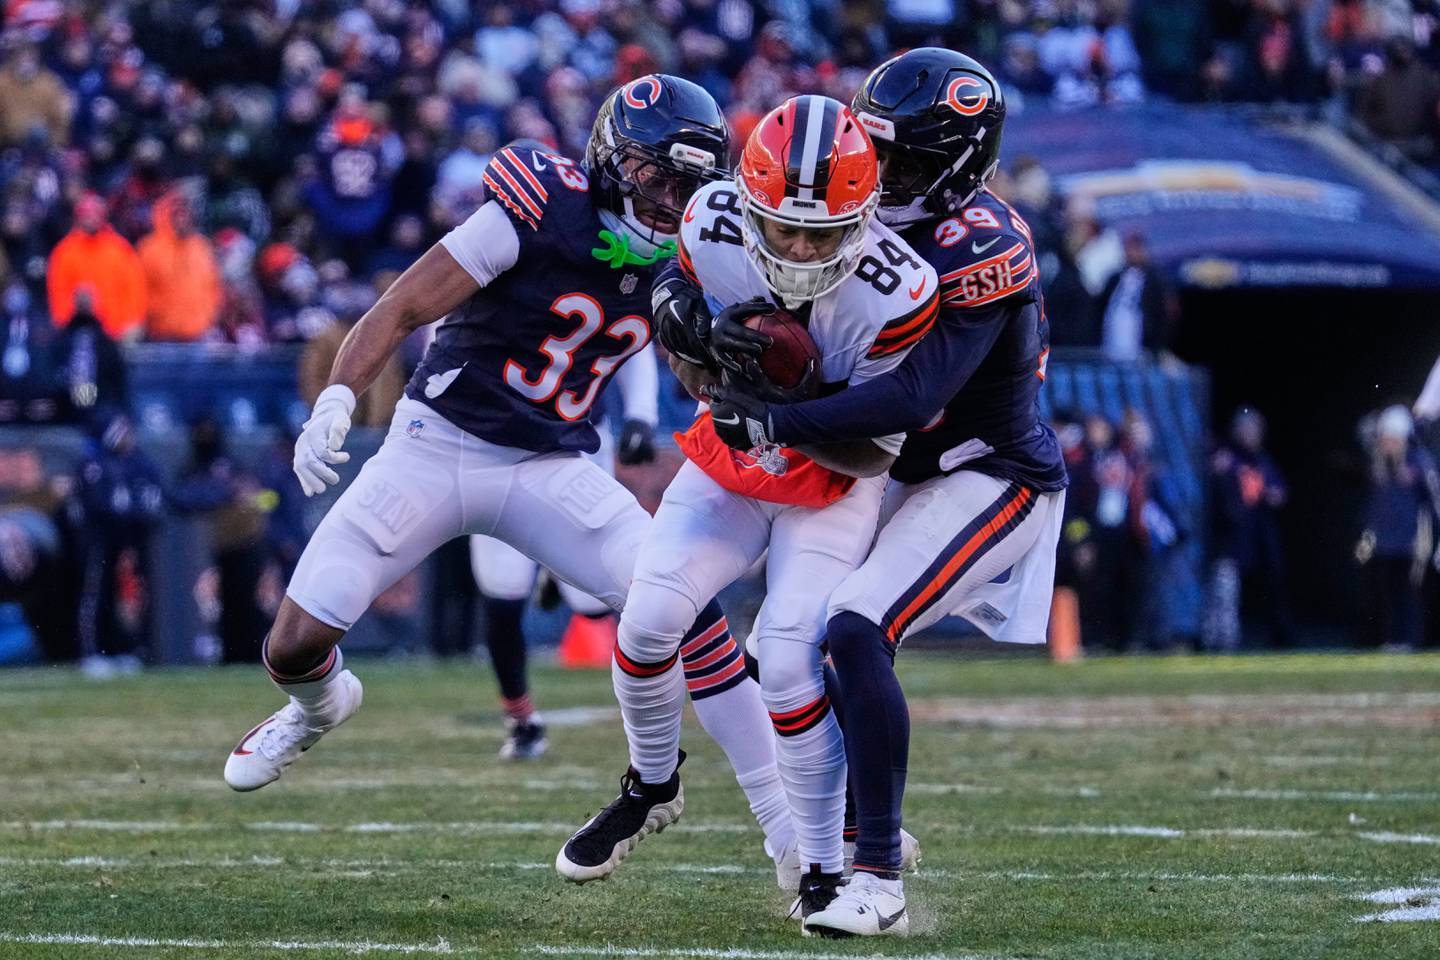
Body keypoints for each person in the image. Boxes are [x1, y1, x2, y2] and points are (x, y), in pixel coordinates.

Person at [220, 77, 798, 882]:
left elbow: (691, 362)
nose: (669, 201)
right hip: (435, 445)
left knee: (686, 609)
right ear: (610, 158)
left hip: (550, 463)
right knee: (292, 646)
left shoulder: (697, 250)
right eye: (656, 175)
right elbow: (401, 308)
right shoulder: (537, 206)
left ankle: (783, 827)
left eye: (687, 184)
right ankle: (317, 707)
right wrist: (338, 400)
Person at [705, 50, 1068, 936]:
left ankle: (875, 878)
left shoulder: (983, 244)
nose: (878, 171)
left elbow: (913, 397)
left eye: (899, 160)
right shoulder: (847, 210)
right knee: (788, 641)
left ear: (955, 163)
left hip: (985, 472)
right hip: (890, 471)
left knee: (857, 623)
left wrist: (775, 420)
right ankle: (847, 834)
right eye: (873, 148)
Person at [558, 94, 939, 926]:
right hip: (731, 464)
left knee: (795, 660)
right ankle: (652, 783)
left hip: (831, 486)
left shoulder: (897, 288)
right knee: (648, 617)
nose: (802, 248)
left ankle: (821, 868)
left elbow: (876, 451)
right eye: (786, 228)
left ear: (865, 218)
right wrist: (684, 326)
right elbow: (676, 303)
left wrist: (781, 408)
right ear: (749, 204)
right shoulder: (714, 221)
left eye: (823, 232)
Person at [469, 342, 661, 760]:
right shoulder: (474, 279)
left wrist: (642, 415)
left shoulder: (592, 277)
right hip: (495, 448)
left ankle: (556, 566)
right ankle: (522, 722)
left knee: (595, 602)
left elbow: (633, 337)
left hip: (577, 443)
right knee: (502, 596)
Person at [1205, 408, 1291, 650]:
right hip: (1231, 536)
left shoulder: (1263, 461)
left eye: (1254, 430)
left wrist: (1269, 494)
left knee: (1272, 582)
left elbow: (1280, 494)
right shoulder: (1226, 458)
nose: (1250, 435)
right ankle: (1222, 642)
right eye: (1245, 430)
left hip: (1259, 534)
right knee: (1225, 591)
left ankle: (1279, 636)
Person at [1356, 406, 1440, 650]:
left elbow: (1433, 502)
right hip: (1383, 542)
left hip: (1412, 541)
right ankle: (1393, 639)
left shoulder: (1419, 464)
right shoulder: (1379, 466)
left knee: (1409, 592)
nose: (1387, 443)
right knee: (1388, 592)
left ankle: (1411, 639)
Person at [46, 193, 148, 342]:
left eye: (95, 214)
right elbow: (58, 293)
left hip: (117, 334)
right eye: (86, 214)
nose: (91, 219)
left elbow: (135, 289)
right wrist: (65, 324)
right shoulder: (64, 252)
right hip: (79, 336)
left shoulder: (120, 249)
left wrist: (133, 323)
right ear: (78, 217)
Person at [138, 191, 223, 342]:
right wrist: (156, 315)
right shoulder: (149, 249)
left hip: (198, 335)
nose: (183, 219)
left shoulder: (202, 248)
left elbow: (214, 287)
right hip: (162, 335)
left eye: (186, 214)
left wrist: (208, 316)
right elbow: (139, 290)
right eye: (178, 214)